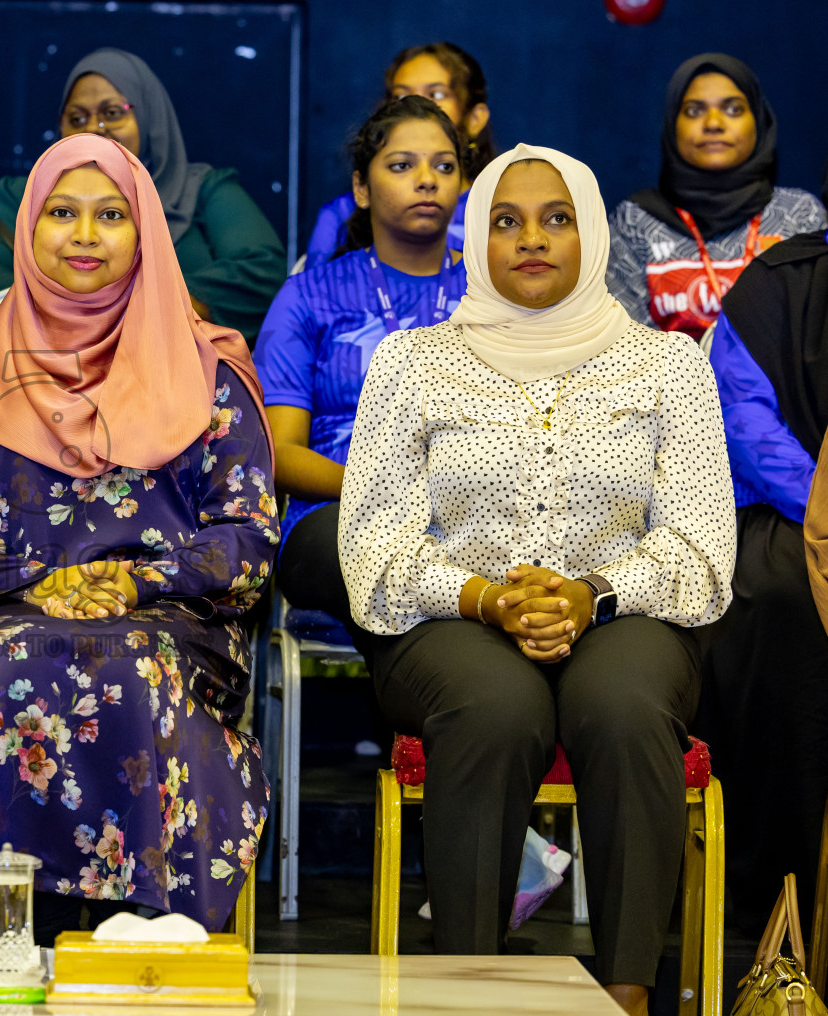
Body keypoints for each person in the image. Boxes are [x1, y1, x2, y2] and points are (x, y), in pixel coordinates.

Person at [339, 144, 735, 1016]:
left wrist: (590, 593)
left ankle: (628, 990)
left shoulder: (668, 366)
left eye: (556, 218)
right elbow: (372, 550)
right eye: (507, 221)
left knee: (626, 706)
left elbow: (704, 548)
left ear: (590, 234)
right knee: (497, 707)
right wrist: (490, 598)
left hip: (625, 608)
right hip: (452, 616)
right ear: (475, 237)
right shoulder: (410, 365)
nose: (532, 239)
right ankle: (470, 992)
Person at [0, 133, 279, 944]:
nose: (83, 234)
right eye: (61, 213)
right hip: (3, 611)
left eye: (111, 215)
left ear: (147, 233)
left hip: (167, 619)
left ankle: (151, 928)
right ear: (28, 229)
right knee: (18, 659)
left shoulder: (208, 374)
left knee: (132, 664)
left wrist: (138, 582)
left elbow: (247, 537)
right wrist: (35, 580)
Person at [257, 96, 467, 622]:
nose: (427, 179)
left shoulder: (491, 296)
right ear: (360, 188)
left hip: (475, 512)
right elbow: (278, 451)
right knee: (379, 558)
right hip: (337, 516)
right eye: (402, 165)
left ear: (464, 184)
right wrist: (378, 486)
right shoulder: (310, 296)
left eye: (445, 166)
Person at [0, 47, 285, 342]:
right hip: (44, 370)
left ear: (150, 117)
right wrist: (68, 318)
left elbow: (263, 272)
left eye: (112, 113)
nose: (95, 128)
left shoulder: (203, 189)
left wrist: (143, 305)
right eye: (77, 118)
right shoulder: (24, 197)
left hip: (176, 368)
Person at [698, 231, 828, 933]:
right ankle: (781, 891)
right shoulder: (779, 281)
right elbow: (748, 425)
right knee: (781, 593)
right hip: (790, 510)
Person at [608, 53, 826, 337]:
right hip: (666, 381)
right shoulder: (636, 220)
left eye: (733, 109)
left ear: (759, 122)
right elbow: (626, 343)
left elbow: (815, 337)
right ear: (672, 125)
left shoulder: (799, 214)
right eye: (694, 111)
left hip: (777, 383)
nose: (713, 123)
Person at [305, 42, 495, 268]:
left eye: (436, 94)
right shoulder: (341, 214)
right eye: (401, 96)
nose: (417, 107)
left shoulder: (501, 210)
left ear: (475, 118)